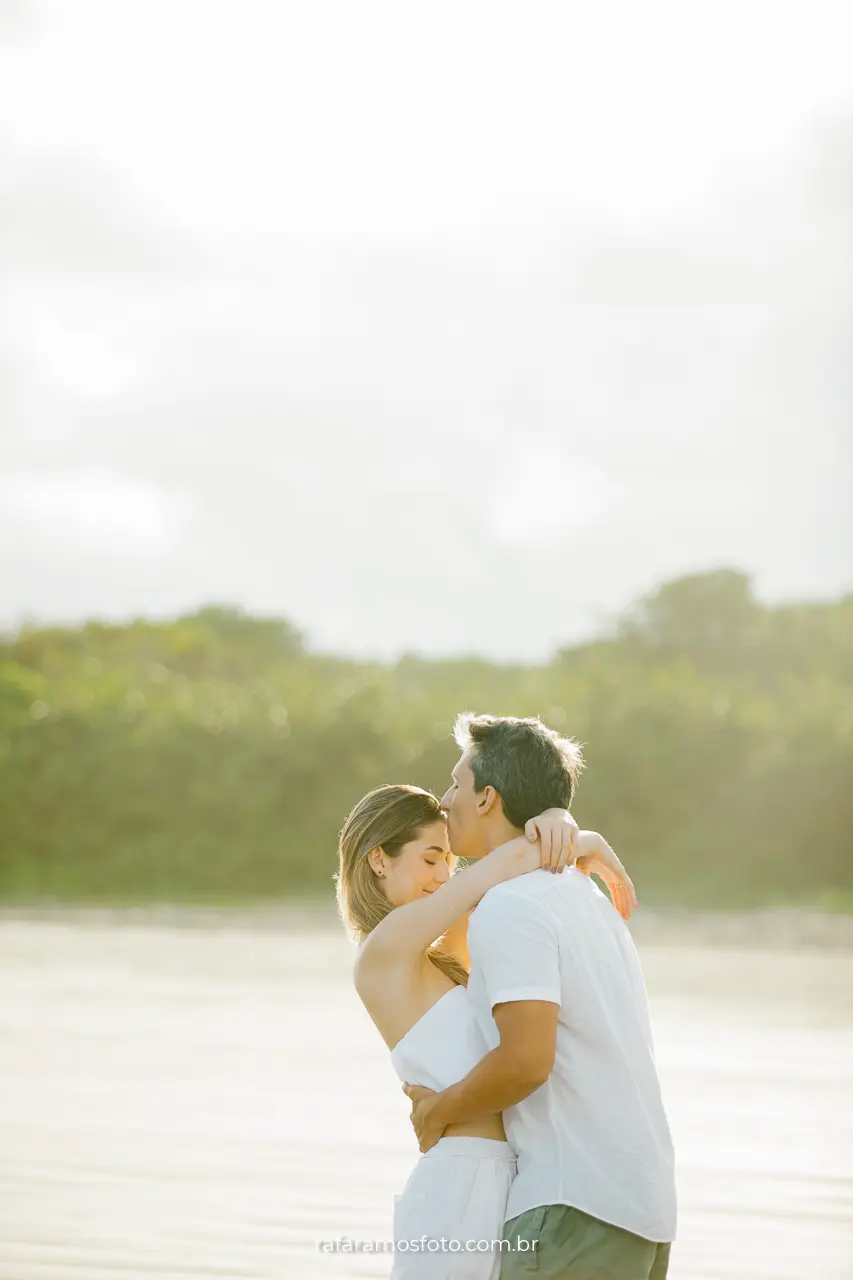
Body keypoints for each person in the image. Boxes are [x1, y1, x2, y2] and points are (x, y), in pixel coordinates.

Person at [404, 713, 677, 1280]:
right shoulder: (583, 895)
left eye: (456, 784)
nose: (445, 800)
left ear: (488, 798)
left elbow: (527, 1060)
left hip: (571, 1208)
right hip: (641, 1210)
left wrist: (437, 1110)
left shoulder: (512, 906)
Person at [336, 779, 634, 1279]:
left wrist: (556, 822)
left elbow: (509, 868)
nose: (443, 875)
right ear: (379, 859)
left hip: (512, 1179)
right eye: (430, 858)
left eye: (449, 861)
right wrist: (584, 840)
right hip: (460, 1181)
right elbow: (502, 864)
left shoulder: (443, 955)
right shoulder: (383, 952)